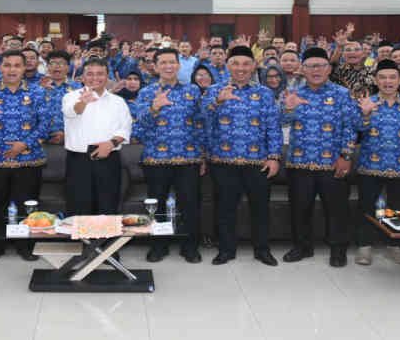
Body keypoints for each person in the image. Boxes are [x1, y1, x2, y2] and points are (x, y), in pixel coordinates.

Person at [204, 45, 281, 267]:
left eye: (246, 64)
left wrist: (274, 157)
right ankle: (226, 250)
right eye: (236, 63)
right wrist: (218, 102)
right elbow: (203, 120)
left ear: (254, 66)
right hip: (222, 161)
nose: (241, 68)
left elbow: (273, 127)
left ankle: (262, 249)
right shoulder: (214, 91)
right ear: (228, 66)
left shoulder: (265, 93)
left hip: (257, 161)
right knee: (225, 208)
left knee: (260, 208)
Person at [281, 47, 355, 267]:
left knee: (336, 209)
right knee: (299, 209)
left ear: (329, 68)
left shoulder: (342, 94)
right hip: (299, 162)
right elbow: (280, 124)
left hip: (332, 163)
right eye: (311, 66)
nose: (316, 70)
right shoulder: (293, 94)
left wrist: (346, 155)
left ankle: (338, 249)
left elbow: (350, 127)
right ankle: (302, 247)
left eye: (320, 66)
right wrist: (288, 109)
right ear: (302, 69)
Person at [130, 48, 205, 263]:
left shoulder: (192, 91)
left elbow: (200, 124)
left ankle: (190, 247)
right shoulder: (146, 93)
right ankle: (158, 246)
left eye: (172, 62)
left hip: (188, 157)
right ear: (155, 66)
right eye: (163, 62)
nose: (168, 66)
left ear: (179, 65)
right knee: (156, 205)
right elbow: (138, 128)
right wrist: (154, 107)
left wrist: (202, 155)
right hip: (156, 158)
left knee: (190, 204)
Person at [0, 50, 50, 262]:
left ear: (25, 68)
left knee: (27, 203)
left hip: (28, 158)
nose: (11, 70)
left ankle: (25, 244)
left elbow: (45, 124)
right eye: (7, 65)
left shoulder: (36, 92)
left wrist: (24, 143)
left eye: (17, 65)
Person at [354, 59, 400, 266]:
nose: (387, 81)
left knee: (399, 208)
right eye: (382, 77)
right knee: (366, 207)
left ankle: (396, 246)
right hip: (370, 166)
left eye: (392, 77)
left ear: (399, 80)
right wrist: (365, 115)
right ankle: (364, 247)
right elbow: (356, 132)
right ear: (375, 80)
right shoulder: (367, 103)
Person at [61, 58, 133, 217]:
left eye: (100, 74)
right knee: (79, 207)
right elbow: (72, 111)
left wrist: (111, 144)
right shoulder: (71, 97)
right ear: (83, 77)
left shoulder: (118, 102)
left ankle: (106, 242)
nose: (95, 78)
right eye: (90, 74)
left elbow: (125, 129)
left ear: (107, 76)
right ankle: (84, 242)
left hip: (109, 158)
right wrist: (83, 102)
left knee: (108, 206)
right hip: (78, 160)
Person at [38, 50, 78, 145]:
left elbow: (81, 114)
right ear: (47, 67)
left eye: (61, 63)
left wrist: (66, 134)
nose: (57, 66)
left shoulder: (77, 88)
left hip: (71, 139)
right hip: (41, 139)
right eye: (53, 63)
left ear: (68, 68)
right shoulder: (37, 87)